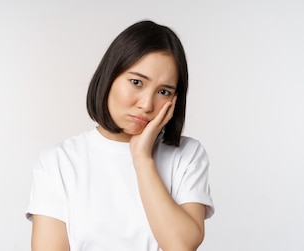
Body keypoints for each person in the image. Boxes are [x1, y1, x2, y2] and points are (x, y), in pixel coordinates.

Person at [25, 20, 214, 251]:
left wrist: (142, 158)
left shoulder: (187, 155)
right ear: (110, 76)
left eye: (163, 91)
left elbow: (182, 246)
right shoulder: (59, 161)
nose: (146, 104)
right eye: (136, 82)